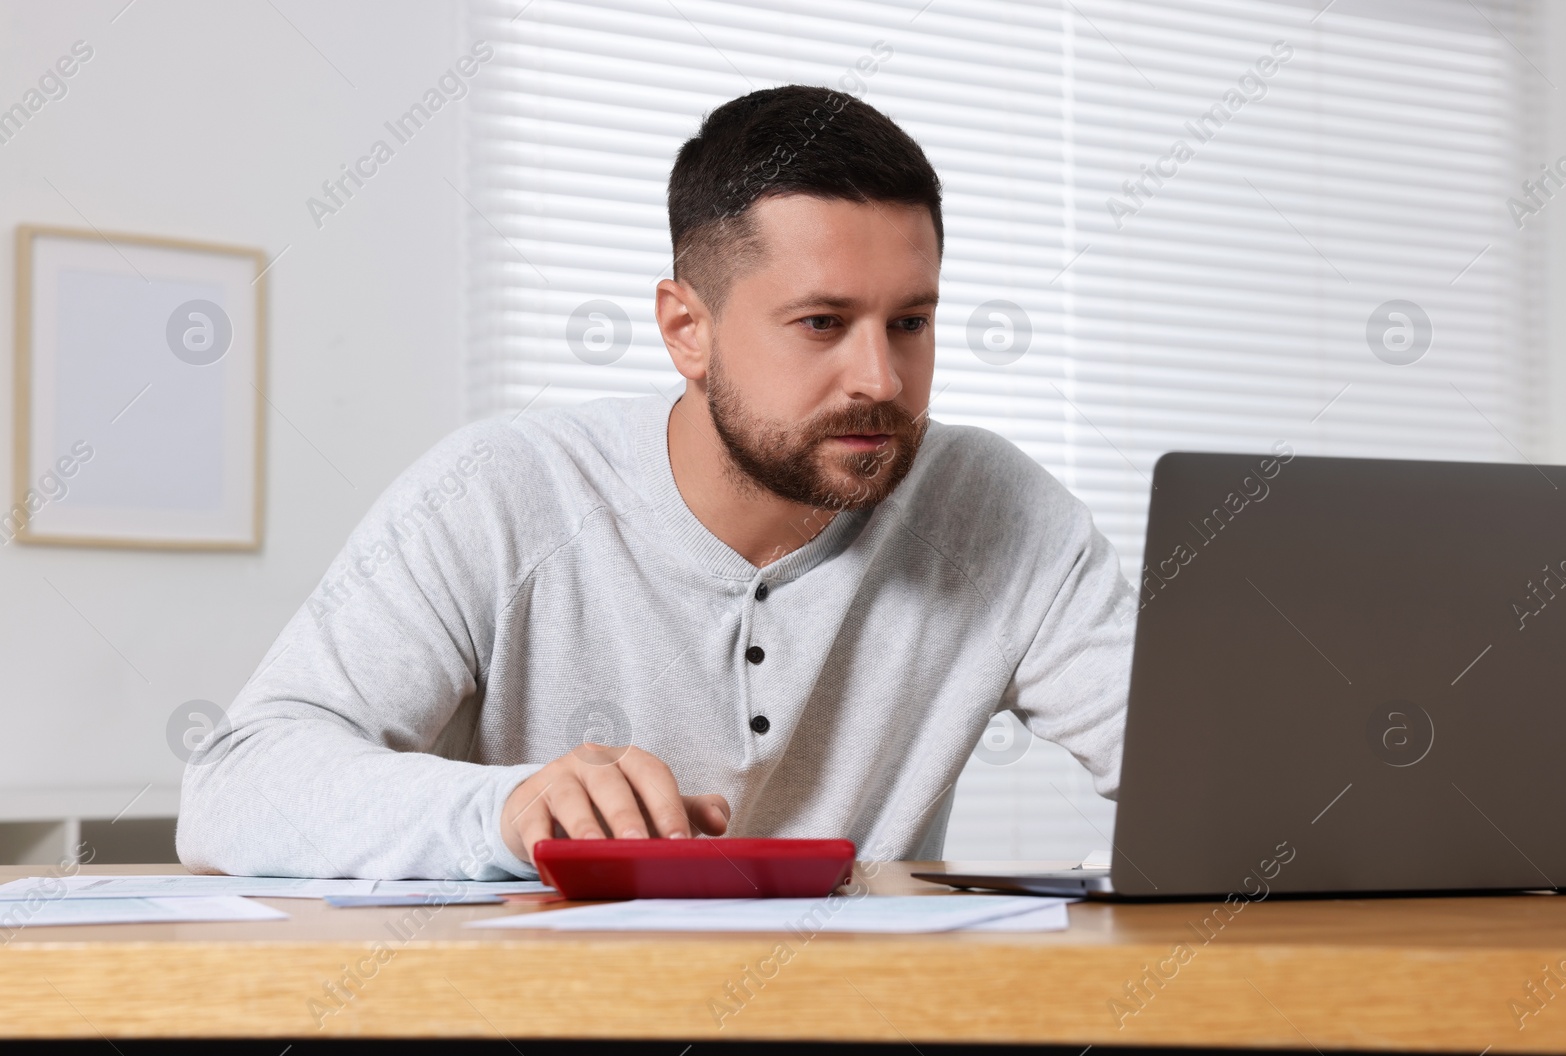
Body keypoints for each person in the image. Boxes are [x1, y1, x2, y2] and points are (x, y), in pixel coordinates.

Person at [177, 85, 1135, 880]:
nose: (880, 380)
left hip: (854, 1021)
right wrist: (504, 810)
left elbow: (1212, 778)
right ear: (687, 328)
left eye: (910, 323)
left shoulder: (998, 510)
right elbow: (235, 786)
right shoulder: (502, 493)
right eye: (820, 322)